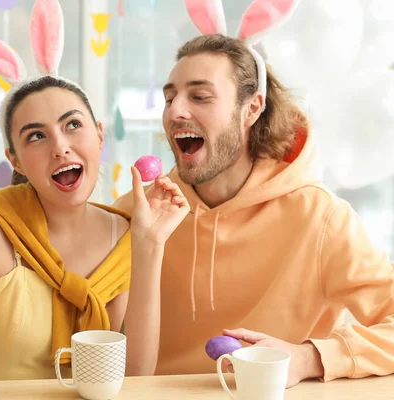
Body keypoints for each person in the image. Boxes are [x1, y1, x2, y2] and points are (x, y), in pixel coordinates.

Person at [0, 0, 189, 386]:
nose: (60, 146)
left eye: (73, 125)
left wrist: (149, 248)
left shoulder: (127, 234)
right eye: (36, 136)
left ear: (99, 134)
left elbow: (130, 379)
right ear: (15, 159)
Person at [116, 1, 394, 389]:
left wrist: (310, 357)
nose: (175, 110)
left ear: (252, 108)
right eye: (169, 97)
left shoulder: (321, 218)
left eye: (200, 96)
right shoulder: (141, 211)